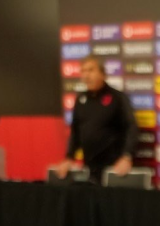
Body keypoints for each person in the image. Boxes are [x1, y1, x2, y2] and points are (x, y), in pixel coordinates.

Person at [56, 55, 138, 184]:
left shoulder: (118, 98)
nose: (86, 75)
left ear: (103, 74)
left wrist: (126, 157)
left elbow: (131, 128)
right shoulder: (80, 100)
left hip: (114, 169)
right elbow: (75, 132)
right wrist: (69, 157)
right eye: (83, 71)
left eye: (91, 70)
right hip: (89, 169)